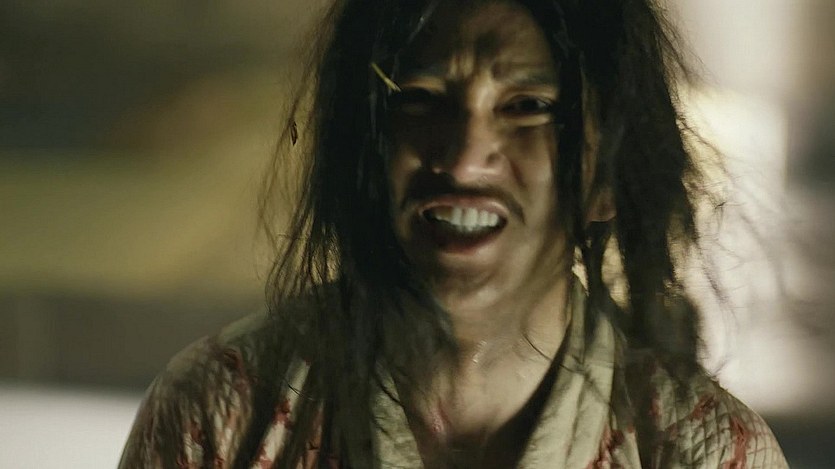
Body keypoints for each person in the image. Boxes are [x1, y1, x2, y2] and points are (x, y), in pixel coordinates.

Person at [119, 0, 788, 467]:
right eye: (420, 98)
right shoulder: (220, 414)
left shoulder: (704, 452)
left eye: (526, 107)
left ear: (604, 177)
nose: (464, 159)